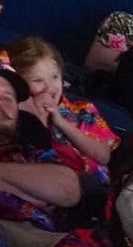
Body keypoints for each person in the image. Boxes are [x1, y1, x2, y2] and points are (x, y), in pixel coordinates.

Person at [0, 61, 80, 234]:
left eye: (8, 97)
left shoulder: (27, 148)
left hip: (48, 245)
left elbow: (68, 189)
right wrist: (30, 190)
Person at [10, 36, 118, 178]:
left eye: (55, 77)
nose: (50, 87)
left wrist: (61, 122)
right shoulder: (13, 116)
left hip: (92, 188)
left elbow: (103, 156)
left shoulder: (84, 110)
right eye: (38, 80)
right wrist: (38, 119)